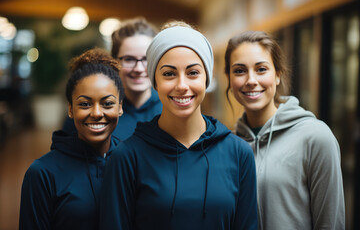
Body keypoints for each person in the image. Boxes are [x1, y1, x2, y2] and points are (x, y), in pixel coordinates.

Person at [99, 23, 258, 230]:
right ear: (154, 79)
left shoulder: (239, 153)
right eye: (169, 74)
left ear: (207, 79)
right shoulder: (126, 157)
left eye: (193, 73)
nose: (182, 85)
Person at [224, 30, 345, 230]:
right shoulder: (228, 145)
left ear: (278, 75)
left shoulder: (315, 137)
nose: (251, 80)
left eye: (261, 69)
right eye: (239, 71)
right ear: (229, 78)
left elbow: (330, 223)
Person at [19, 48, 124, 230]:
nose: (97, 113)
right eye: (84, 104)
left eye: (107, 104)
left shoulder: (131, 161)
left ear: (120, 107)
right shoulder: (42, 173)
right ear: (70, 109)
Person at [62, 17, 162, 141]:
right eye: (129, 59)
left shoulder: (170, 109)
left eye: (147, 59)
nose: (139, 68)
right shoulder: (89, 110)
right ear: (114, 62)